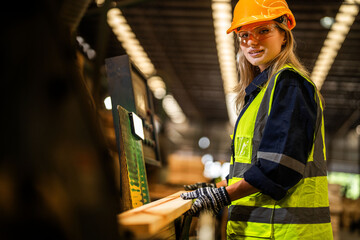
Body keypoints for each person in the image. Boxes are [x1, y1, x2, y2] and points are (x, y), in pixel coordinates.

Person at [180, 0, 333, 239]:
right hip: (262, 231)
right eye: (244, 35)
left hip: (285, 232)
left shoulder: (290, 85)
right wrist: (217, 188)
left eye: (263, 30)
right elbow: (251, 169)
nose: (251, 41)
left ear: (284, 34)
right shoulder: (262, 91)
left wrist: (223, 197)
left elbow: (280, 167)